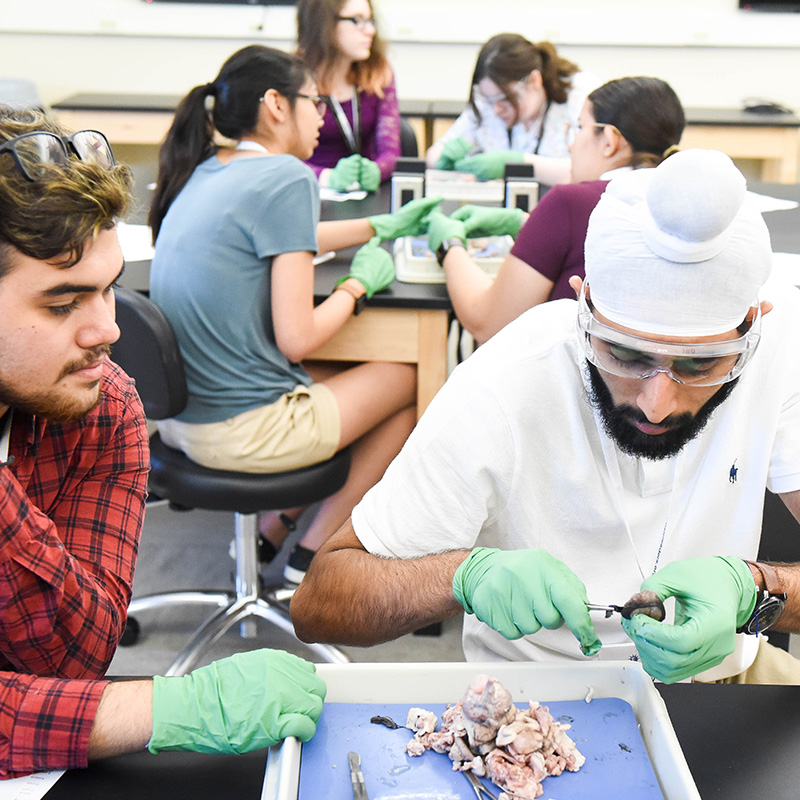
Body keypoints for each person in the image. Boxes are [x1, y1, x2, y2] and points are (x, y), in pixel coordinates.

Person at [292, 148, 800, 686]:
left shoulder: (780, 352)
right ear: (583, 311)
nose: (658, 403)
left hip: (726, 681)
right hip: (543, 704)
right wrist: (462, 578)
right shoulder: (508, 381)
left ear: (752, 326)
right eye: (625, 356)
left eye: (700, 365)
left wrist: (756, 591)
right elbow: (318, 602)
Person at [0, 106, 326, 777]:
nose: (106, 330)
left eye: (108, 290)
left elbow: (74, 661)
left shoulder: (102, 405)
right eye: (62, 304)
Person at [149, 45, 438, 584]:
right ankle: (314, 556)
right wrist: (356, 286)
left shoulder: (210, 167)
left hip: (180, 418)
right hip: (241, 430)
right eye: (317, 102)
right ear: (277, 105)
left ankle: (277, 531)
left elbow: (288, 242)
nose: (324, 117)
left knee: (375, 394)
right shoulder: (286, 176)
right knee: (415, 379)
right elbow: (296, 340)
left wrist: (382, 226)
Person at [429, 77, 685, 344]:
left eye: (579, 128)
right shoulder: (684, 204)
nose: (571, 145)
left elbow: (489, 324)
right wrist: (527, 225)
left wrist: (449, 246)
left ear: (609, 140)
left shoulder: (568, 203)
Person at [425, 33, 599, 185]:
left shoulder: (579, 96)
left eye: (504, 99)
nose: (496, 110)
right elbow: (435, 152)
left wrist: (518, 163)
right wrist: (442, 160)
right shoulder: (488, 102)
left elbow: (589, 172)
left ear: (534, 81)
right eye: (489, 100)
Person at [296, 0, 400, 191]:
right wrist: (327, 177)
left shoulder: (378, 72)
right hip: (308, 191)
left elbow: (391, 153)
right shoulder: (292, 77)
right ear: (324, 23)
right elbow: (279, 157)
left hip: (363, 193)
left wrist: (377, 171)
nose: (370, 30)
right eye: (357, 20)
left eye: (370, 20)